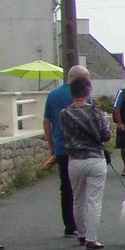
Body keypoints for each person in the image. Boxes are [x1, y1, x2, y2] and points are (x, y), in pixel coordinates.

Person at [58, 74, 112, 250]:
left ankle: (80, 234)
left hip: (74, 160)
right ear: (88, 91)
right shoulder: (95, 111)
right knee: (93, 200)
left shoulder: (64, 114)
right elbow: (106, 135)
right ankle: (92, 238)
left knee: (78, 199)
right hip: (95, 158)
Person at [41, 63, 91, 237]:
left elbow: (46, 121)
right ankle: (83, 225)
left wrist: (51, 145)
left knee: (66, 187)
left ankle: (69, 225)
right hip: (81, 148)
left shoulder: (53, 95)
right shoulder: (82, 95)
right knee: (82, 188)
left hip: (61, 148)